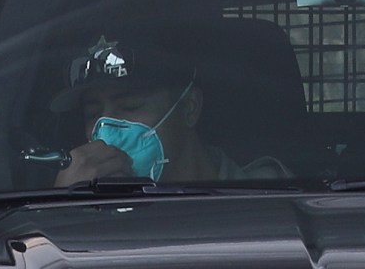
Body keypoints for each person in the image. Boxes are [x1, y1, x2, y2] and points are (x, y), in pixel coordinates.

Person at [54, 28, 288, 186]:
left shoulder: (270, 197)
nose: (107, 133)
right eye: (93, 115)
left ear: (189, 107)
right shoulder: (89, 213)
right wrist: (67, 204)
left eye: (130, 106)